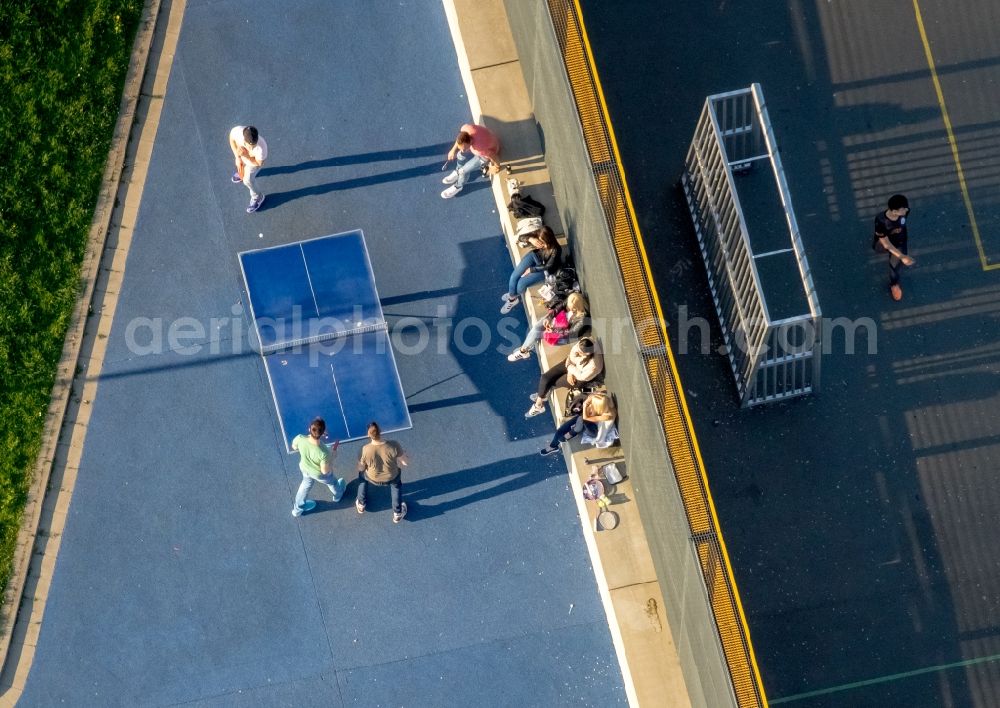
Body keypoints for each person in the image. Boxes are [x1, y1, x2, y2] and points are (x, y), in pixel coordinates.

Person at [525, 337, 604, 418]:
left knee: (554, 383)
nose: (577, 351)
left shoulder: (594, 366)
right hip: (570, 364)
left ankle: (540, 400)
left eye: (580, 352)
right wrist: (570, 371)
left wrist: (570, 369)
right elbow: (571, 356)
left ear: (586, 354)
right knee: (546, 377)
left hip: (578, 378)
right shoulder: (584, 342)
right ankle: (540, 400)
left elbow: (582, 377)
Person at [508, 292, 589, 361]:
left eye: (570, 308)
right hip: (561, 322)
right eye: (567, 305)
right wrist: (549, 318)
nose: (567, 308)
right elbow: (558, 308)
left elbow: (570, 333)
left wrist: (554, 331)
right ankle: (525, 348)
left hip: (565, 336)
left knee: (537, 333)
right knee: (537, 327)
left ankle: (523, 351)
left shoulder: (582, 320)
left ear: (576, 308)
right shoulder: (571, 302)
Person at [290, 418, 346, 517]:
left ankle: (297, 509)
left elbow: (294, 447)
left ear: (309, 429)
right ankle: (338, 496)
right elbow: (324, 471)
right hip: (318, 474)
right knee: (332, 482)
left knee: (305, 485)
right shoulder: (324, 452)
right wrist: (332, 456)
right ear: (323, 432)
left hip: (304, 468)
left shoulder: (300, 438)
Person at [355, 421, 409, 523]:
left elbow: (361, 468)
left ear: (368, 435)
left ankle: (361, 504)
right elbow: (405, 462)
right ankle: (397, 513)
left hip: (372, 478)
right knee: (396, 486)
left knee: (362, 476)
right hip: (392, 477)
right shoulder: (394, 445)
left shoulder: (364, 450)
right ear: (380, 431)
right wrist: (404, 454)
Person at [500, 226, 562, 314]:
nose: (542, 245)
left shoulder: (556, 249)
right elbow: (520, 238)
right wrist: (530, 239)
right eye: (540, 242)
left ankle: (512, 298)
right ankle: (512, 296)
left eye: (544, 243)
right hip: (535, 256)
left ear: (550, 240)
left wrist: (531, 270)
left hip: (543, 269)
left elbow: (548, 266)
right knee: (514, 277)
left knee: (520, 285)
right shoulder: (538, 234)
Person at [539, 391, 617, 456]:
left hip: (594, 431)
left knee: (581, 419)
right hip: (587, 420)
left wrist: (586, 404)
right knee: (560, 431)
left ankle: (572, 433)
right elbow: (596, 397)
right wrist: (591, 397)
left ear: (599, 407)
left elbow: (586, 418)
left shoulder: (608, 415)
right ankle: (553, 446)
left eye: (593, 404)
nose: (591, 404)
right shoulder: (603, 402)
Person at [441, 123, 500, 199]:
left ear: (470, 142)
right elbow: (460, 139)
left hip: (486, 154)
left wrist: (496, 166)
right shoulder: (465, 129)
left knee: (463, 171)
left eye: (464, 148)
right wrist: (453, 150)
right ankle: (457, 172)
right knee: (459, 154)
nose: (463, 150)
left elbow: (493, 156)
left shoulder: (479, 149)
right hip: (488, 140)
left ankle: (458, 186)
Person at [873, 194, 915, 301]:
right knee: (883, 251)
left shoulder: (906, 211)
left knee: (895, 267)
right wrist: (902, 256)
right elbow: (886, 244)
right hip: (886, 242)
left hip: (900, 241)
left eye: (905, 208)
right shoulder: (881, 221)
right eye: (902, 210)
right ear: (894, 211)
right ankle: (894, 285)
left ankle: (894, 284)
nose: (906, 211)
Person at [229, 125, 268, 213]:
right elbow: (231, 138)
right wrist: (237, 157)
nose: (252, 148)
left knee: (247, 180)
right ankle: (244, 169)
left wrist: (246, 155)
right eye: (250, 146)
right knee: (241, 165)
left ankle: (258, 197)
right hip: (243, 157)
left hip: (254, 162)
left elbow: (258, 163)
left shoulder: (262, 148)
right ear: (244, 140)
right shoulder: (237, 132)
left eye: (254, 145)